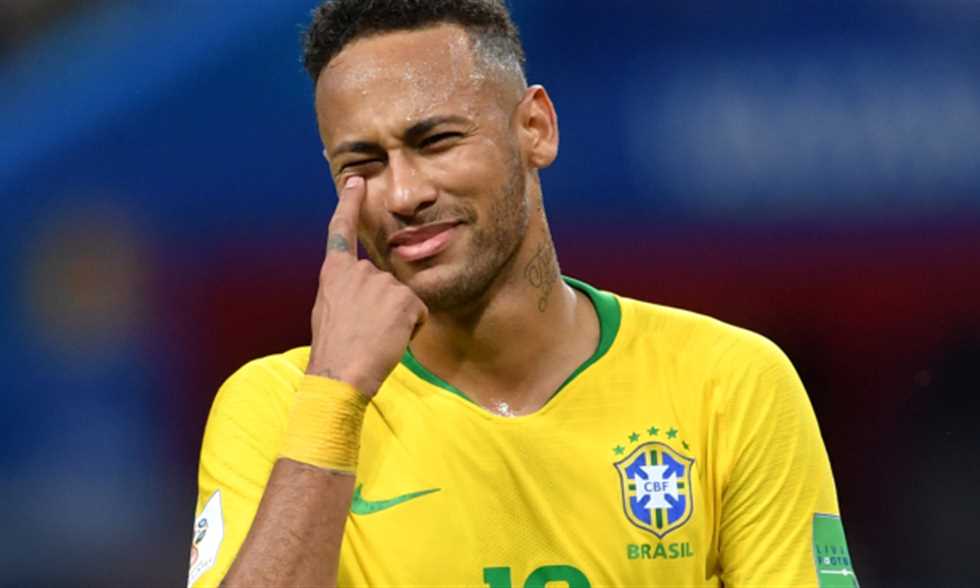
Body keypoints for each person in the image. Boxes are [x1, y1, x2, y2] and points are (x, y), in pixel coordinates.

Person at [189, 1, 859, 586]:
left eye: (437, 141)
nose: (404, 194)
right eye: (362, 164)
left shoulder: (729, 386)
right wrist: (335, 396)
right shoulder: (279, 408)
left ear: (535, 128)